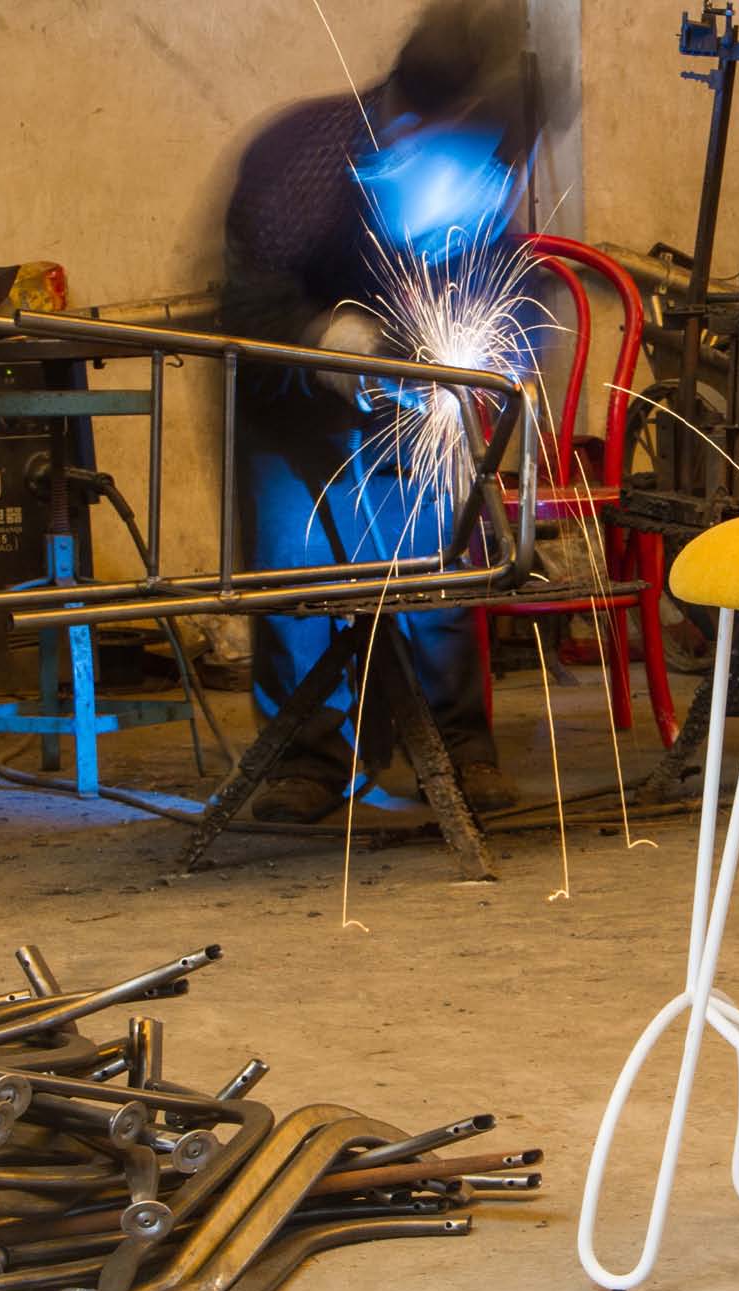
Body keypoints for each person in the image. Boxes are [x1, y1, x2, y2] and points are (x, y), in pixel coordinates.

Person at [221, 0, 532, 822]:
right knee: (297, 574)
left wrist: (483, 365)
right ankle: (306, 758)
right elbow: (247, 301)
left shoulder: (484, 152)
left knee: (437, 566)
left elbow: (511, 287)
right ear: (404, 117)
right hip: (289, 399)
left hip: (414, 404)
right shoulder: (302, 155)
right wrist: (334, 341)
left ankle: (458, 748)